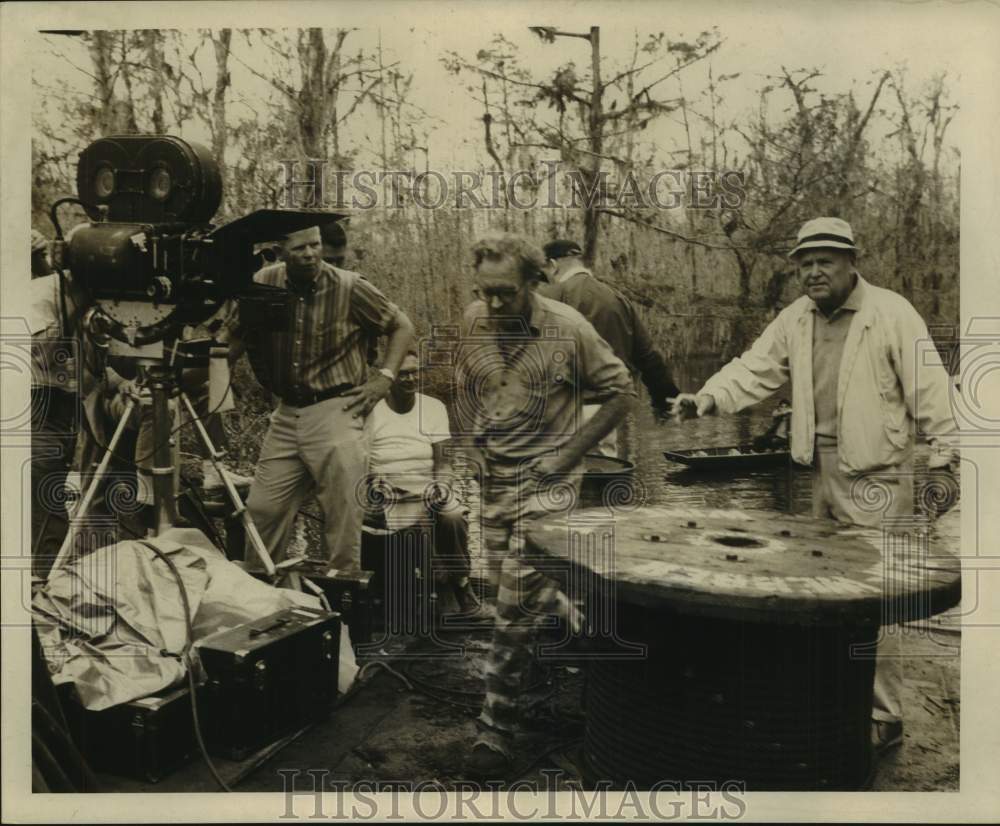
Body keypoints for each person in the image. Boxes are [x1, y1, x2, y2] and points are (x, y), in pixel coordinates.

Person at [671, 216, 958, 757]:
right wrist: (705, 398)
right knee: (823, 584)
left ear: (853, 262)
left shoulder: (891, 313)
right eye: (804, 263)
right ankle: (832, 698)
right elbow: (754, 369)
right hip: (816, 470)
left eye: (825, 260)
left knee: (876, 595)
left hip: (877, 474)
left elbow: (931, 390)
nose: (813, 272)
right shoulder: (796, 319)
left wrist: (945, 460)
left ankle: (884, 715)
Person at [455, 232, 635, 775]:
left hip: (547, 486)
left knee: (511, 609)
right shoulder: (472, 321)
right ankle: (587, 632)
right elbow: (466, 384)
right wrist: (471, 445)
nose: (492, 304)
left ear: (534, 282)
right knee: (510, 591)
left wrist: (565, 459)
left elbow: (622, 394)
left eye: (504, 293)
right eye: (483, 292)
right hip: (493, 482)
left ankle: (495, 730)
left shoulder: (569, 329)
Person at [227, 225, 414, 572]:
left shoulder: (349, 286)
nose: (310, 254)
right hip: (286, 414)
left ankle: (343, 608)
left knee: (342, 517)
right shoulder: (264, 281)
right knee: (262, 509)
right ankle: (264, 598)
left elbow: (401, 325)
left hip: (338, 409)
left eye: (314, 245)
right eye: (299, 249)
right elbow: (232, 339)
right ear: (280, 250)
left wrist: (384, 379)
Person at [539, 239, 680, 457]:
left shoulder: (549, 298)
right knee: (603, 475)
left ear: (553, 265)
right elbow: (647, 356)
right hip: (604, 415)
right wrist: (665, 400)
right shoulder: (617, 298)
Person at [365, 349, 479, 615]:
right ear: (388, 378)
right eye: (403, 374)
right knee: (416, 523)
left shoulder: (433, 407)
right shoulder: (371, 410)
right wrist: (374, 487)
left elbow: (443, 462)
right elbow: (361, 462)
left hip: (427, 487)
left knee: (452, 515)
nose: (410, 379)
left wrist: (442, 485)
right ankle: (438, 586)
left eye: (415, 372)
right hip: (387, 491)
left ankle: (461, 583)